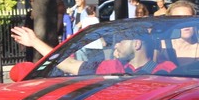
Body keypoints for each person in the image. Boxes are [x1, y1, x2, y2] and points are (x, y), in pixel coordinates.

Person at [10, 25, 175, 75]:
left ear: (137, 44)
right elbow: (69, 65)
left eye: (121, 41)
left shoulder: (166, 70)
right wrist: (34, 41)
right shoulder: (111, 67)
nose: (115, 45)